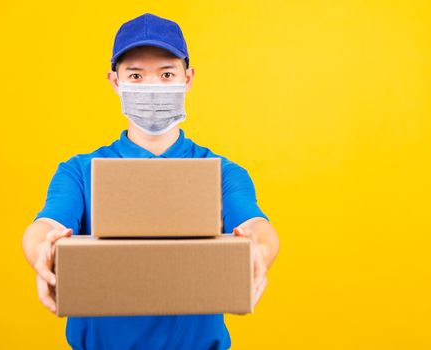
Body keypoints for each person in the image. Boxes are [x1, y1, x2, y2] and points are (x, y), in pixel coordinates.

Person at [22, 12, 279, 350]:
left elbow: (256, 224)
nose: (152, 88)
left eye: (167, 74)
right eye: (136, 76)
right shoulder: (80, 170)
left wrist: (259, 250)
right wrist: (42, 249)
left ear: (188, 79)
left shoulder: (220, 171)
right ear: (116, 82)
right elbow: (46, 224)